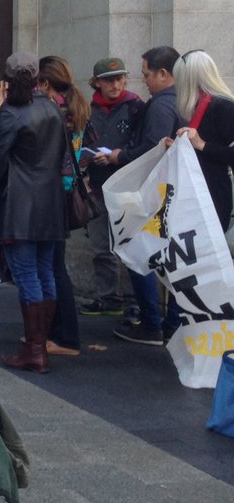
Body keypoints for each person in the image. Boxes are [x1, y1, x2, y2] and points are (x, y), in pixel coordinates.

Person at [0, 52, 68, 374]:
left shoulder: (10, 112)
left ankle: (35, 351)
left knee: (29, 275)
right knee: (45, 272)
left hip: (18, 206)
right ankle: (38, 346)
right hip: (50, 204)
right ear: (36, 77)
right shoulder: (52, 107)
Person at [102, 46, 184, 346]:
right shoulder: (180, 101)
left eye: (147, 74)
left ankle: (153, 323)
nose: (144, 80)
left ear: (164, 74)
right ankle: (171, 323)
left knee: (139, 255)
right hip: (171, 194)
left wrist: (120, 156)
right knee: (170, 261)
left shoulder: (161, 106)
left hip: (155, 196)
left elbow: (152, 151)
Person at [78, 58, 144, 317]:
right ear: (97, 83)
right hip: (96, 185)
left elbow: (144, 145)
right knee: (100, 246)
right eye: (109, 80)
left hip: (128, 187)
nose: (115, 84)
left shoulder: (137, 107)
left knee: (132, 245)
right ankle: (109, 298)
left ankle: (136, 301)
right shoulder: (88, 109)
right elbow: (78, 142)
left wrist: (118, 155)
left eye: (119, 78)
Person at [37, 56, 90, 357]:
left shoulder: (53, 110)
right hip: (66, 193)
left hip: (51, 194)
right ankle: (52, 334)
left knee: (54, 267)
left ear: (44, 82)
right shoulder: (76, 106)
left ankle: (66, 338)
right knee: (54, 265)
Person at [172, 50, 234, 231]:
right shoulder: (200, 106)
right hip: (198, 192)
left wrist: (202, 145)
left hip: (214, 194)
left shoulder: (224, 107)